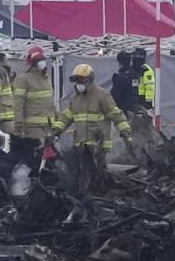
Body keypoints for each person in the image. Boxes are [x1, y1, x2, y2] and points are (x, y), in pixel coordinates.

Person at [47, 63, 131, 195]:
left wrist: (124, 130)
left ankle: (99, 202)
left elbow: (116, 114)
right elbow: (66, 118)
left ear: (89, 80)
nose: (78, 84)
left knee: (96, 178)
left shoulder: (102, 95)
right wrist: (54, 131)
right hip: (80, 146)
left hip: (98, 147)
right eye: (76, 81)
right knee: (80, 179)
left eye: (81, 80)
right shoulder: (75, 99)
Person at [11, 46, 58, 166]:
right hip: (33, 127)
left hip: (48, 126)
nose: (42, 62)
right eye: (39, 60)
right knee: (38, 157)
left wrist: (58, 119)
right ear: (32, 62)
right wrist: (18, 123)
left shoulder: (45, 78)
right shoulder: (23, 78)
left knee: (50, 158)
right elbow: (18, 103)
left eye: (42, 59)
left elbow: (50, 102)